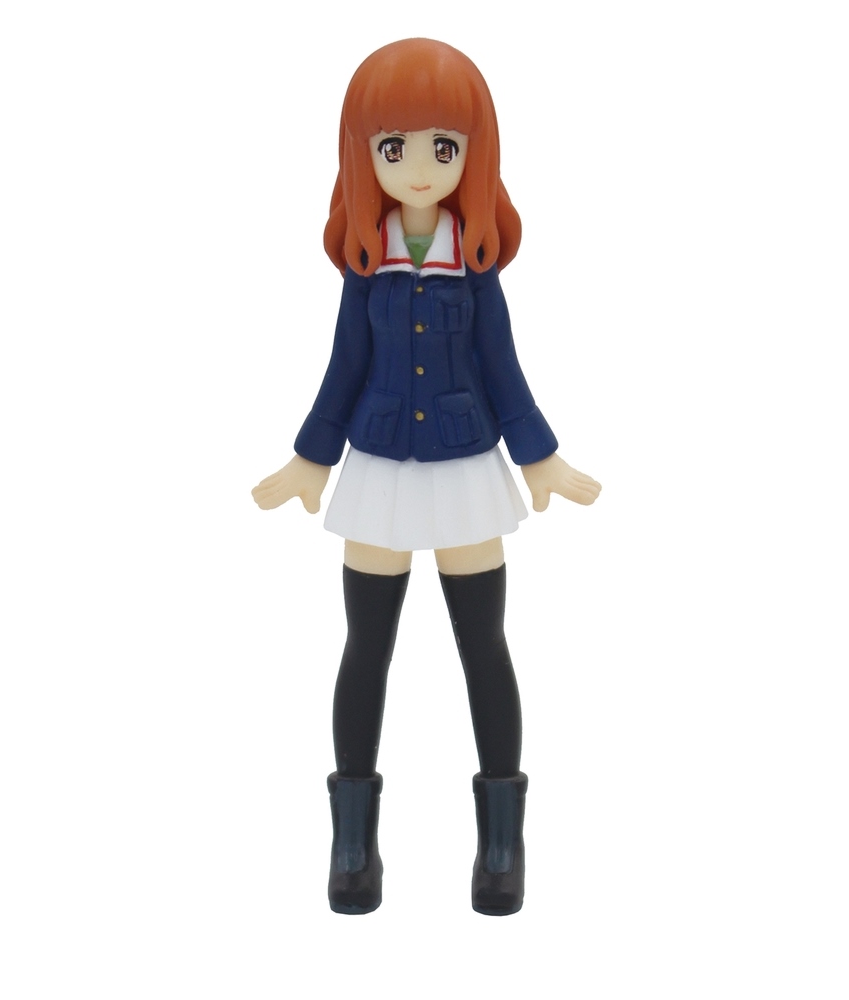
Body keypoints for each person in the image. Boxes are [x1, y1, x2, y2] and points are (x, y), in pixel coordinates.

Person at [252, 38, 600, 915]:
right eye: (392, 145)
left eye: (443, 147)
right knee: (366, 648)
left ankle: (501, 844)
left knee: (483, 647)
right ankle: (353, 844)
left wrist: (539, 456)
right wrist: (311, 457)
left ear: (472, 156)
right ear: (362, 154)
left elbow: (502, 367)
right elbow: (344, 366)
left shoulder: (473, 268)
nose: (417, 166)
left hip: (464, 466)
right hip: (377, 467)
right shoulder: (365, 264)